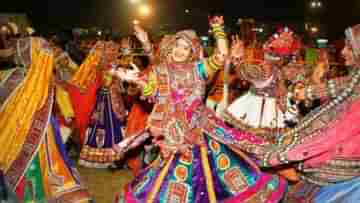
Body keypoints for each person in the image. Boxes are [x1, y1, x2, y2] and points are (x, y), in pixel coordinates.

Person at [111, 16, 286, 203]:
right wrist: (138, 80)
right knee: (172, 176)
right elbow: (152, 92)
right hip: (173, 134)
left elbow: (221, 55)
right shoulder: (161, 70)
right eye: (177, 45)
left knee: (210, 173)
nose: (180, 50)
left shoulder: (198, 68)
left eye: (185, 48)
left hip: (201, 130)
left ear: (192, 51)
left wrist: (218, 29)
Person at [227, 24, 360, 202]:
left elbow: (335, 124)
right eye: (274, 50)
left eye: (281, 51)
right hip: (261, 117)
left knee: (265, 163)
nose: (343, 52)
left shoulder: (290, 70)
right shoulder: (268, 69)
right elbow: (327, 94)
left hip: (331, 160)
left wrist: (280, 156)